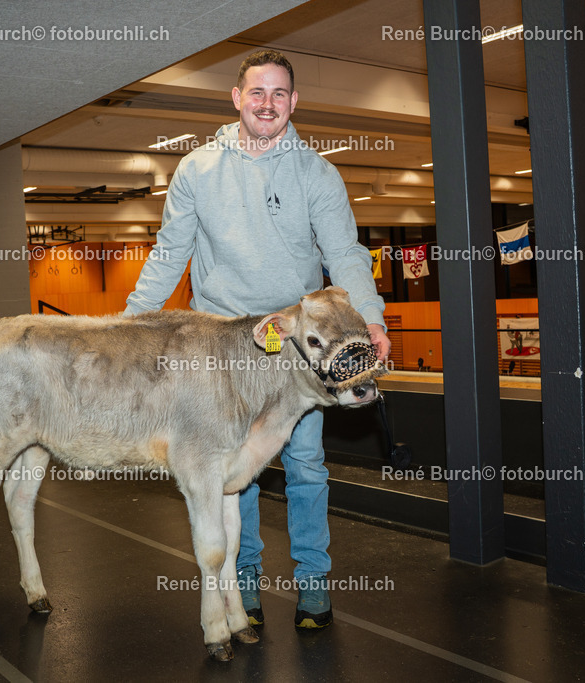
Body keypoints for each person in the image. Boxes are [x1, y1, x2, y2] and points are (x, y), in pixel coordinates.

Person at [124, 49, 390, 629]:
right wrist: (131, 324)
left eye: (278, 94)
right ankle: (243, 586)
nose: (267, 104)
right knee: (228, 469)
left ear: (293, 102)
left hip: (297, 342)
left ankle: (312, 585)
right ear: (236, 99)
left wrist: (372, 319)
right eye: (256, 92)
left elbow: (345, 253)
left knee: (306, 466)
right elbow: (171, 252)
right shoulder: (196, 168)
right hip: (219, 344)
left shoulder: (317, 172)